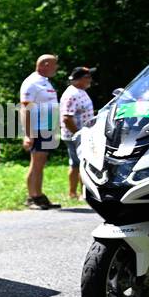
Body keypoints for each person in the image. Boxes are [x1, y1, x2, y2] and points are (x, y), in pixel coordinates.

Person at [19, 53, 61, 210]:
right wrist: (28, 134)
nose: (56, 67)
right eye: (54, 64)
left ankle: (39, 195)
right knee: (36, 163)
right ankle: (32, 197)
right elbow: (25, 108)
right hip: (37, 128)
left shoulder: (45, 82)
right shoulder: (32, 82)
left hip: (46, 128)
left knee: (40, 163)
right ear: (44, 64)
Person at [60, 66, 95, 201]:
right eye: (88, 77)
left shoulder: (80, 91)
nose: (90, 80)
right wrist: (79, 134)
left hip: (80, 134)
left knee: (77, 164)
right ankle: (79, 193)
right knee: (81, 164)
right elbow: (66, 118)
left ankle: (75, 193)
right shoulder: (72, 94)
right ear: (79, 79)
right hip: (75, 136)